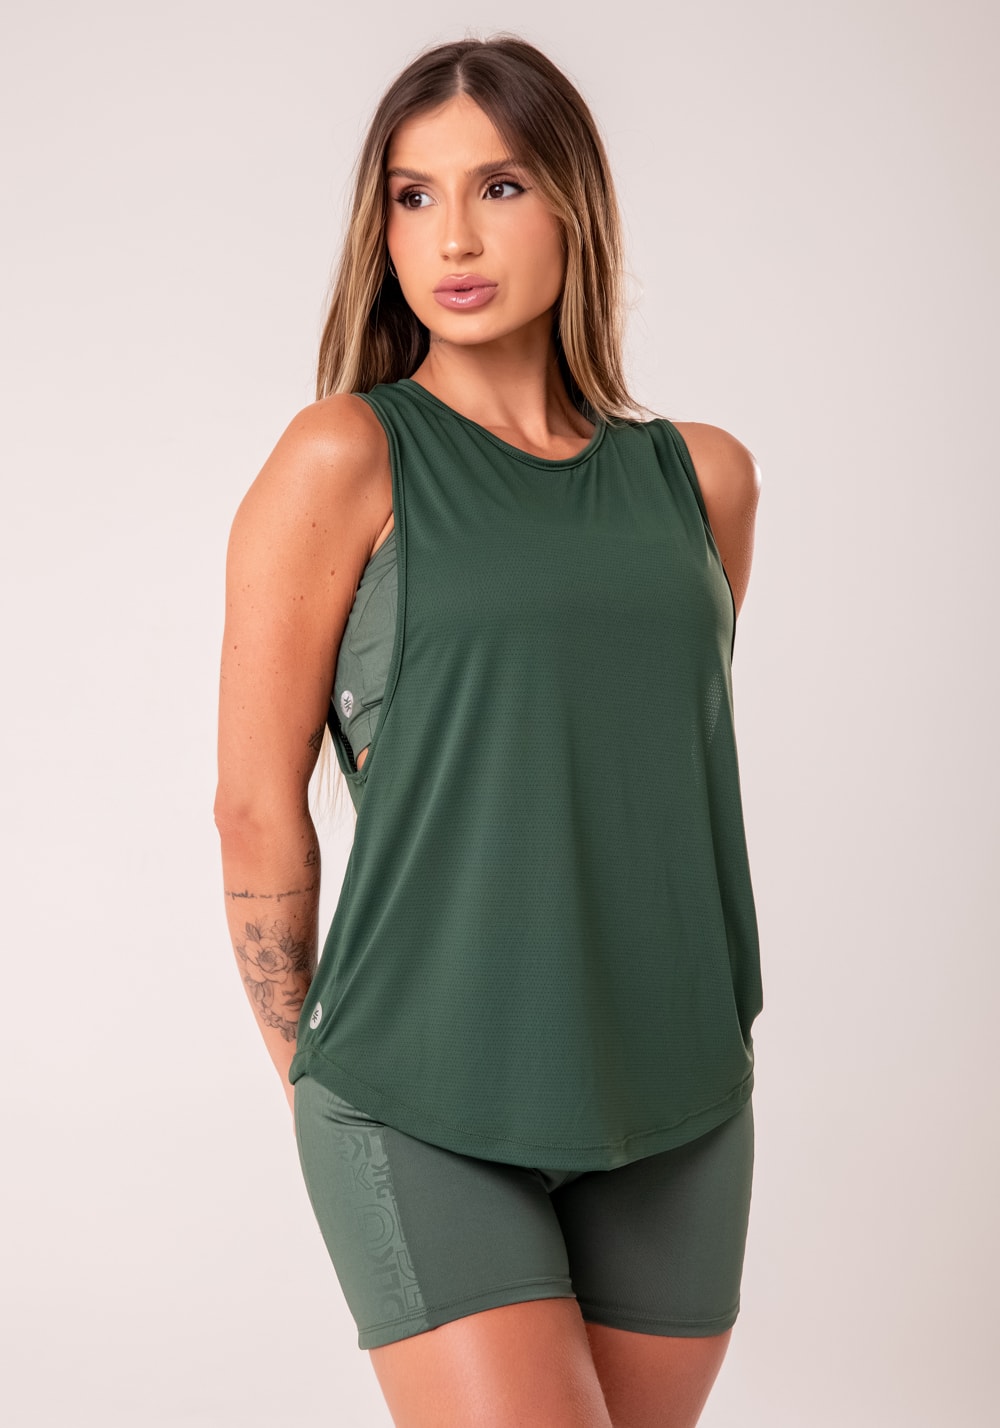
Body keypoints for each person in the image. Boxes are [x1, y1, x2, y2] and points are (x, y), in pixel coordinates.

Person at [214, 33, 763, 1428]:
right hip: (422, 1093)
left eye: (500, 187)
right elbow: (255, 805)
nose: (452, 236)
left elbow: (632, 769)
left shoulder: (702, 482)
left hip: (678, 1096)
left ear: (577, 205)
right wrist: (314, 1074)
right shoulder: (345, 455)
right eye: (413, 196)